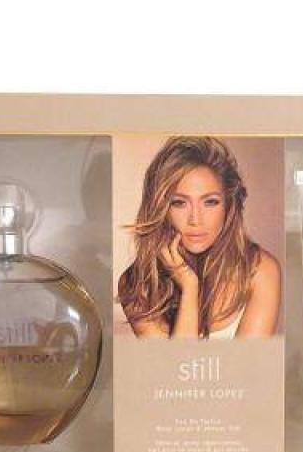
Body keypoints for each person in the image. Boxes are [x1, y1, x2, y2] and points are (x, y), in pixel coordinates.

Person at [118, 136, 280, 339]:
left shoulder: (259, 271)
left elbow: (246, 362)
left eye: (210, 202)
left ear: (229, 206)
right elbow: (176, 360)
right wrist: (189, 287)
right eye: (179, 203)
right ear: (161, 209)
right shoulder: (137, 284)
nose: (196, 220)